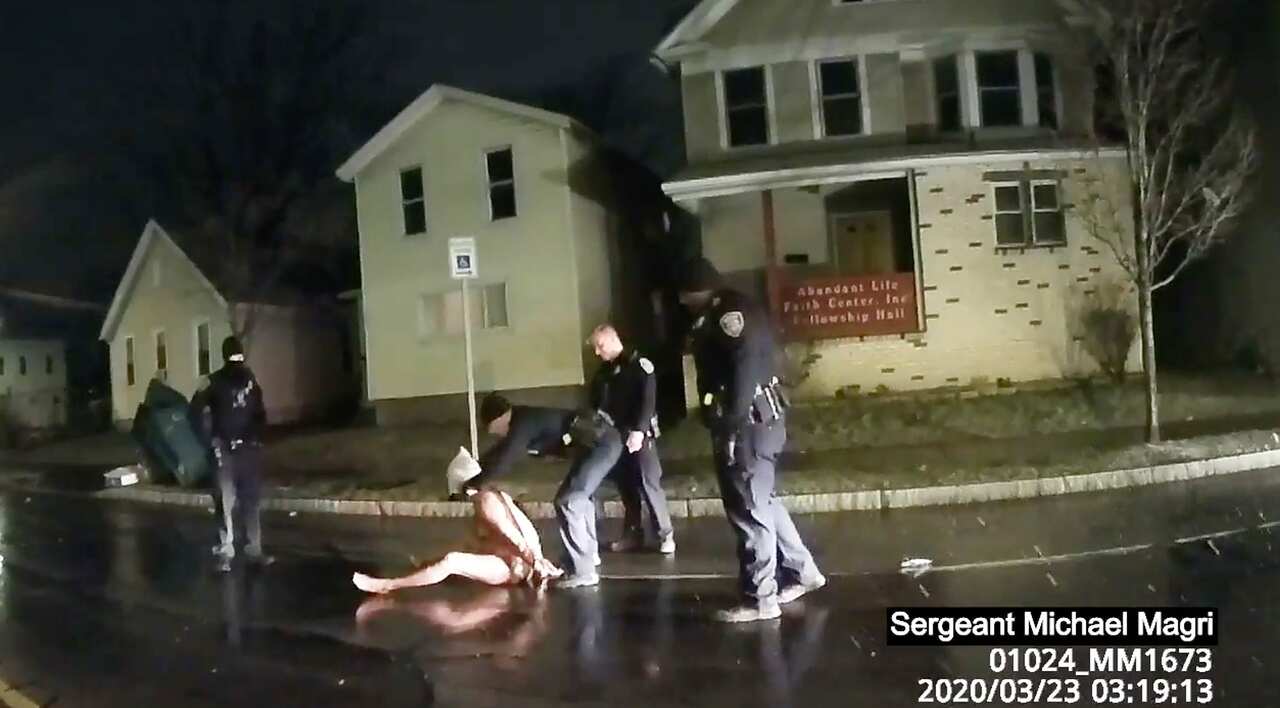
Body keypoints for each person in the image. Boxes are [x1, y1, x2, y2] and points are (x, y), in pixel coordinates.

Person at [677, 258, 826, 622]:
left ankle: (761, 599)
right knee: (763, 503)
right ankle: (803, 571)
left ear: (695, 290)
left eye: (683, 295)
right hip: (761, 420)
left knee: (748, 509)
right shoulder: (733, 305)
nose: (680, 301)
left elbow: (743, 368)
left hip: (748, 424)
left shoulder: (729, 313)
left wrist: (730, 423)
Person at [352, 466, 562, 592]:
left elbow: (514, 536)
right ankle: (426, 567)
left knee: (452, 560)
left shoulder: (486, 502)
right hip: (513, 556)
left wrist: (535, 562)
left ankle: (387, 585)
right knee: (459, 550)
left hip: (515, 566)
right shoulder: (491, 497)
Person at [586, 324, 675, 556]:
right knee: (626, 487)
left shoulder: (638, 365)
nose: (597, 351)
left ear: (613, 340)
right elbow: (597, 402)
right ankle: (632, 534)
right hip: (616, 437)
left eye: (600, 345)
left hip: (639, 435)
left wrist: (639, 430)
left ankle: (665, 534)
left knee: (649, 483)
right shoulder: (604, 372)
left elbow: (648, 399)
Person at [191, 336, 272, 573]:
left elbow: (260, 412)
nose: (238, 361)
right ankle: (227, 551)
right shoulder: (215, 381)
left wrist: (257, 438)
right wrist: (209, 440)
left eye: (239, 356)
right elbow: (194, 411)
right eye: (235, 356)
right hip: (225, 451)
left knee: (248, 501)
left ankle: (252, 550)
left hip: (245, 450)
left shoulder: (249, 380)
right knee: (227, 501)